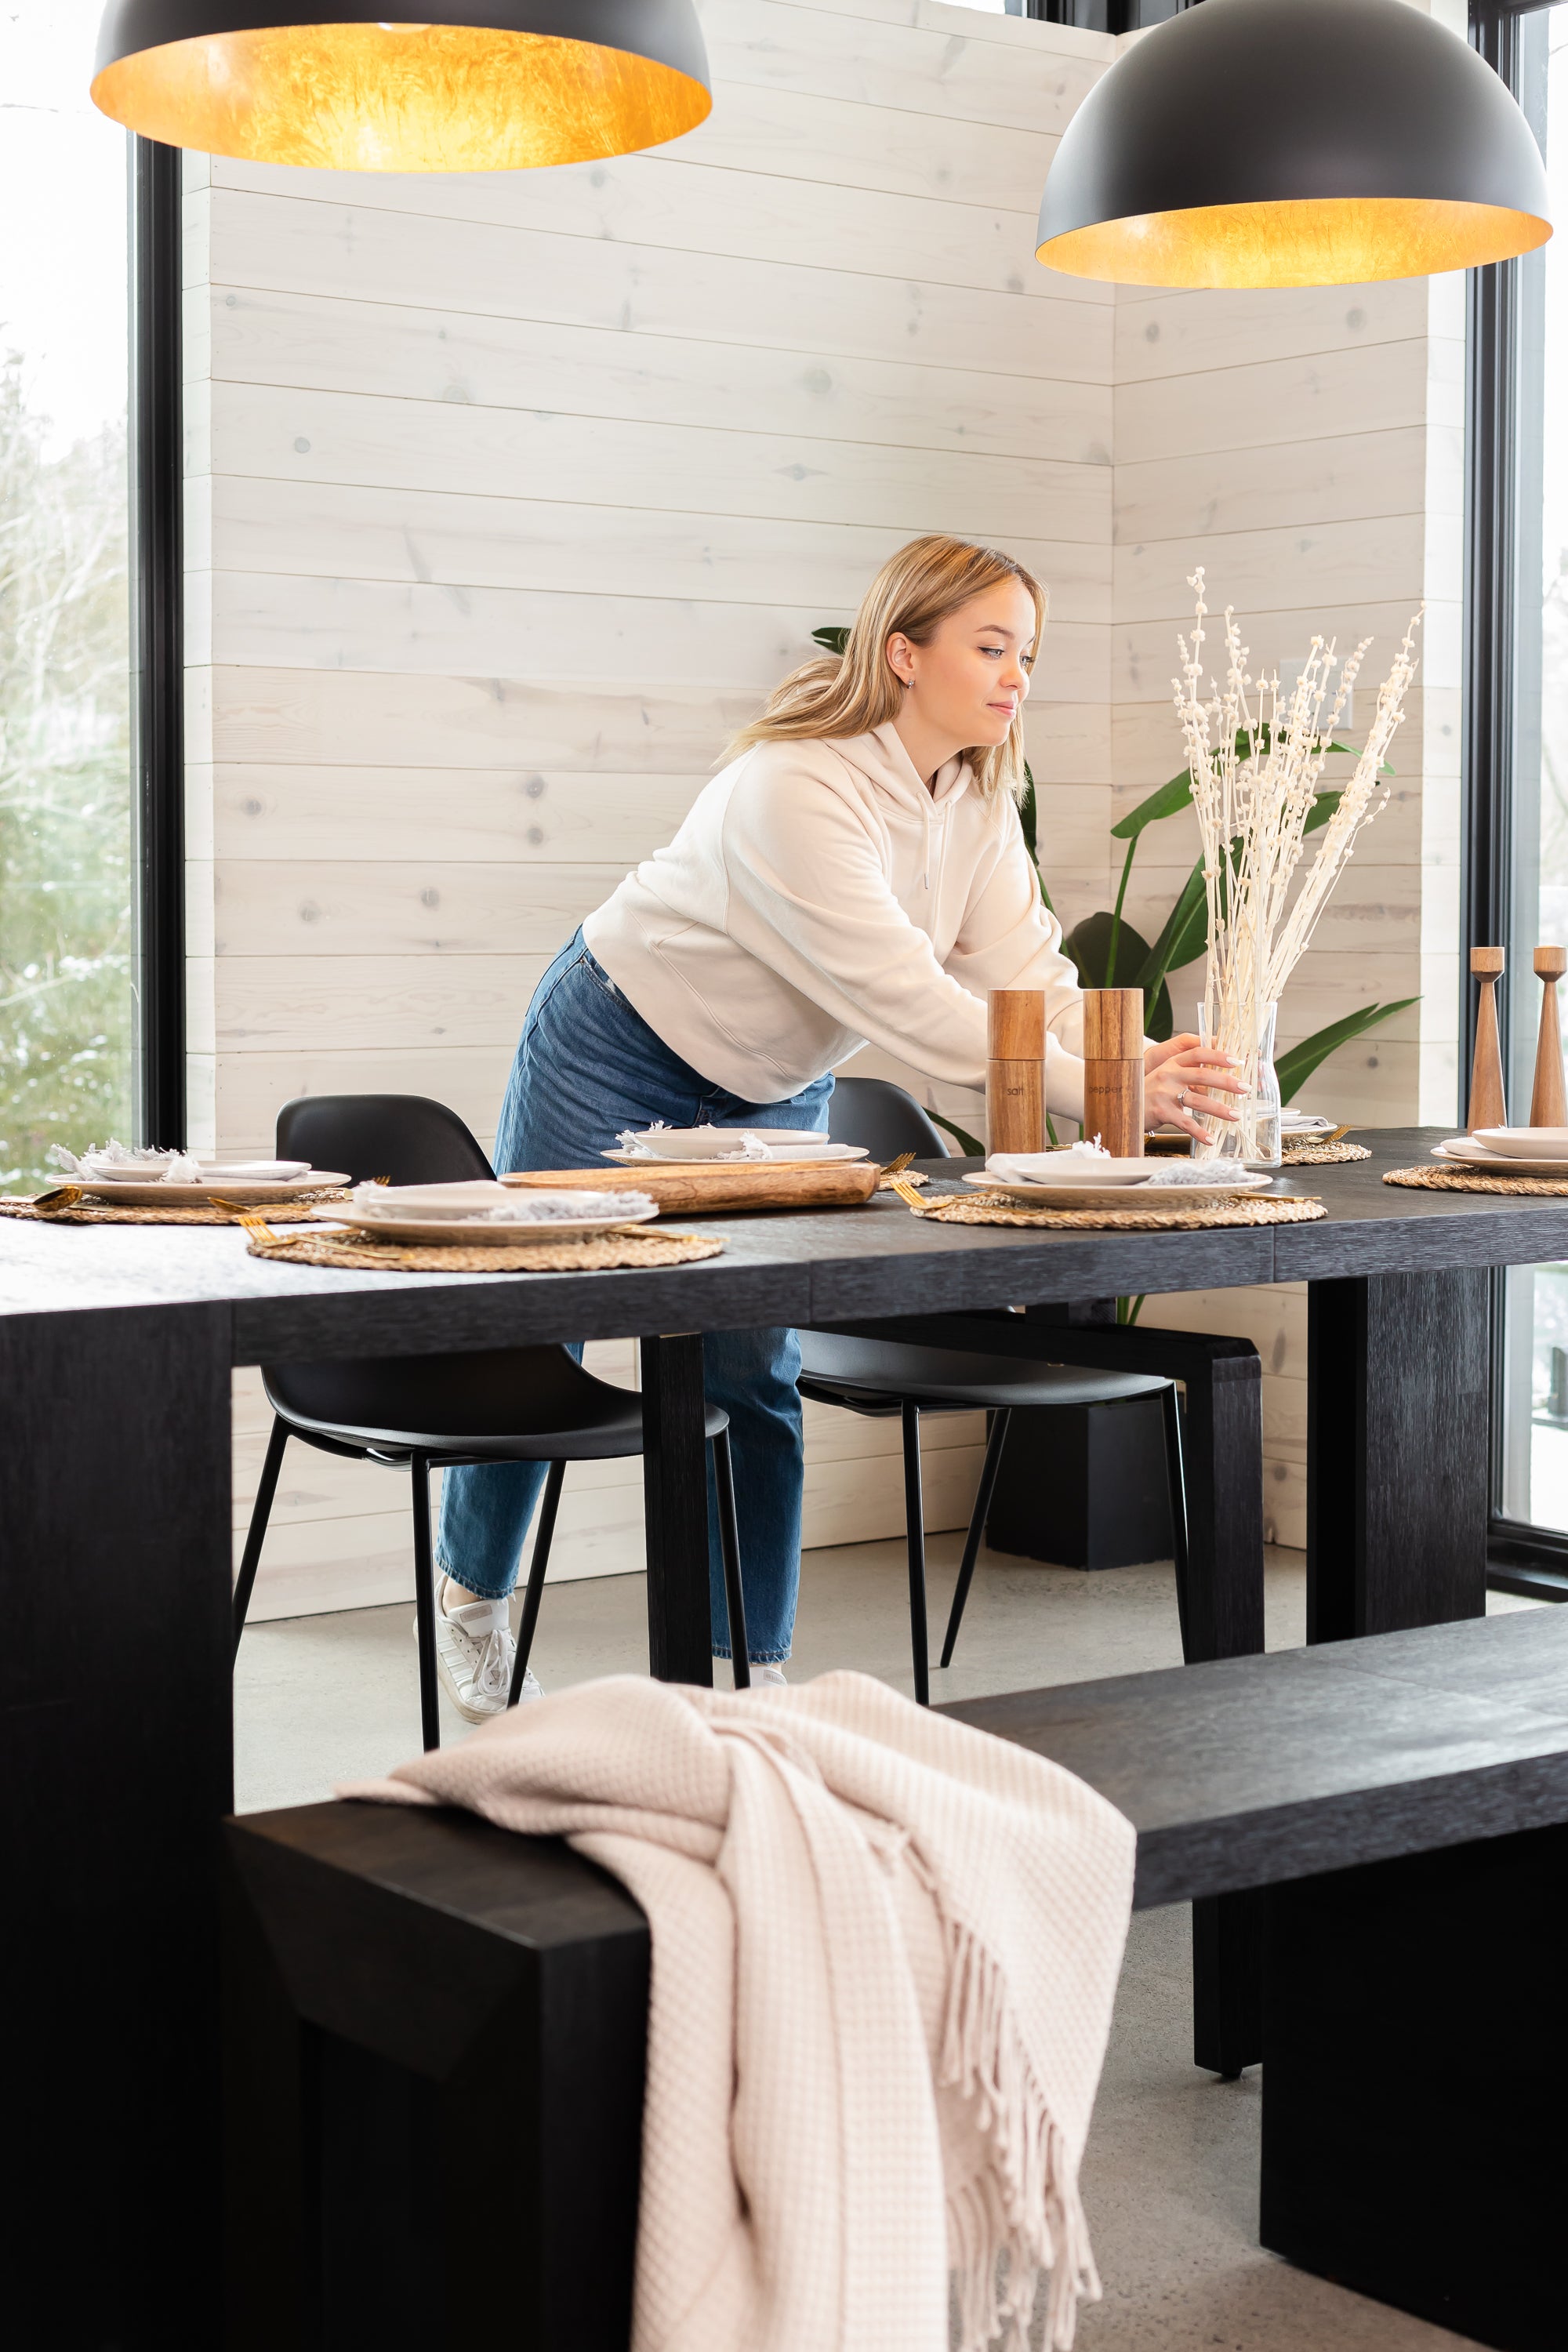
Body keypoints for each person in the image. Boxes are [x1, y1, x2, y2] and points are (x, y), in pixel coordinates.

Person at [427, 534, 1239, 1718]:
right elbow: (909, 1002)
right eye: (992, 646)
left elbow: (1025, 969)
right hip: (617, 1038)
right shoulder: (796, 785)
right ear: (903, 652)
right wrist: (1092, 1089)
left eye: (1030, 653)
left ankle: (751, 1678)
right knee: (542, 1335)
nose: (1018, 675)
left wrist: (1137, 1056)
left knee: (755, 1375)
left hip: (770, 1088)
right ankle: (475, 1609)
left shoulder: (975, 795)